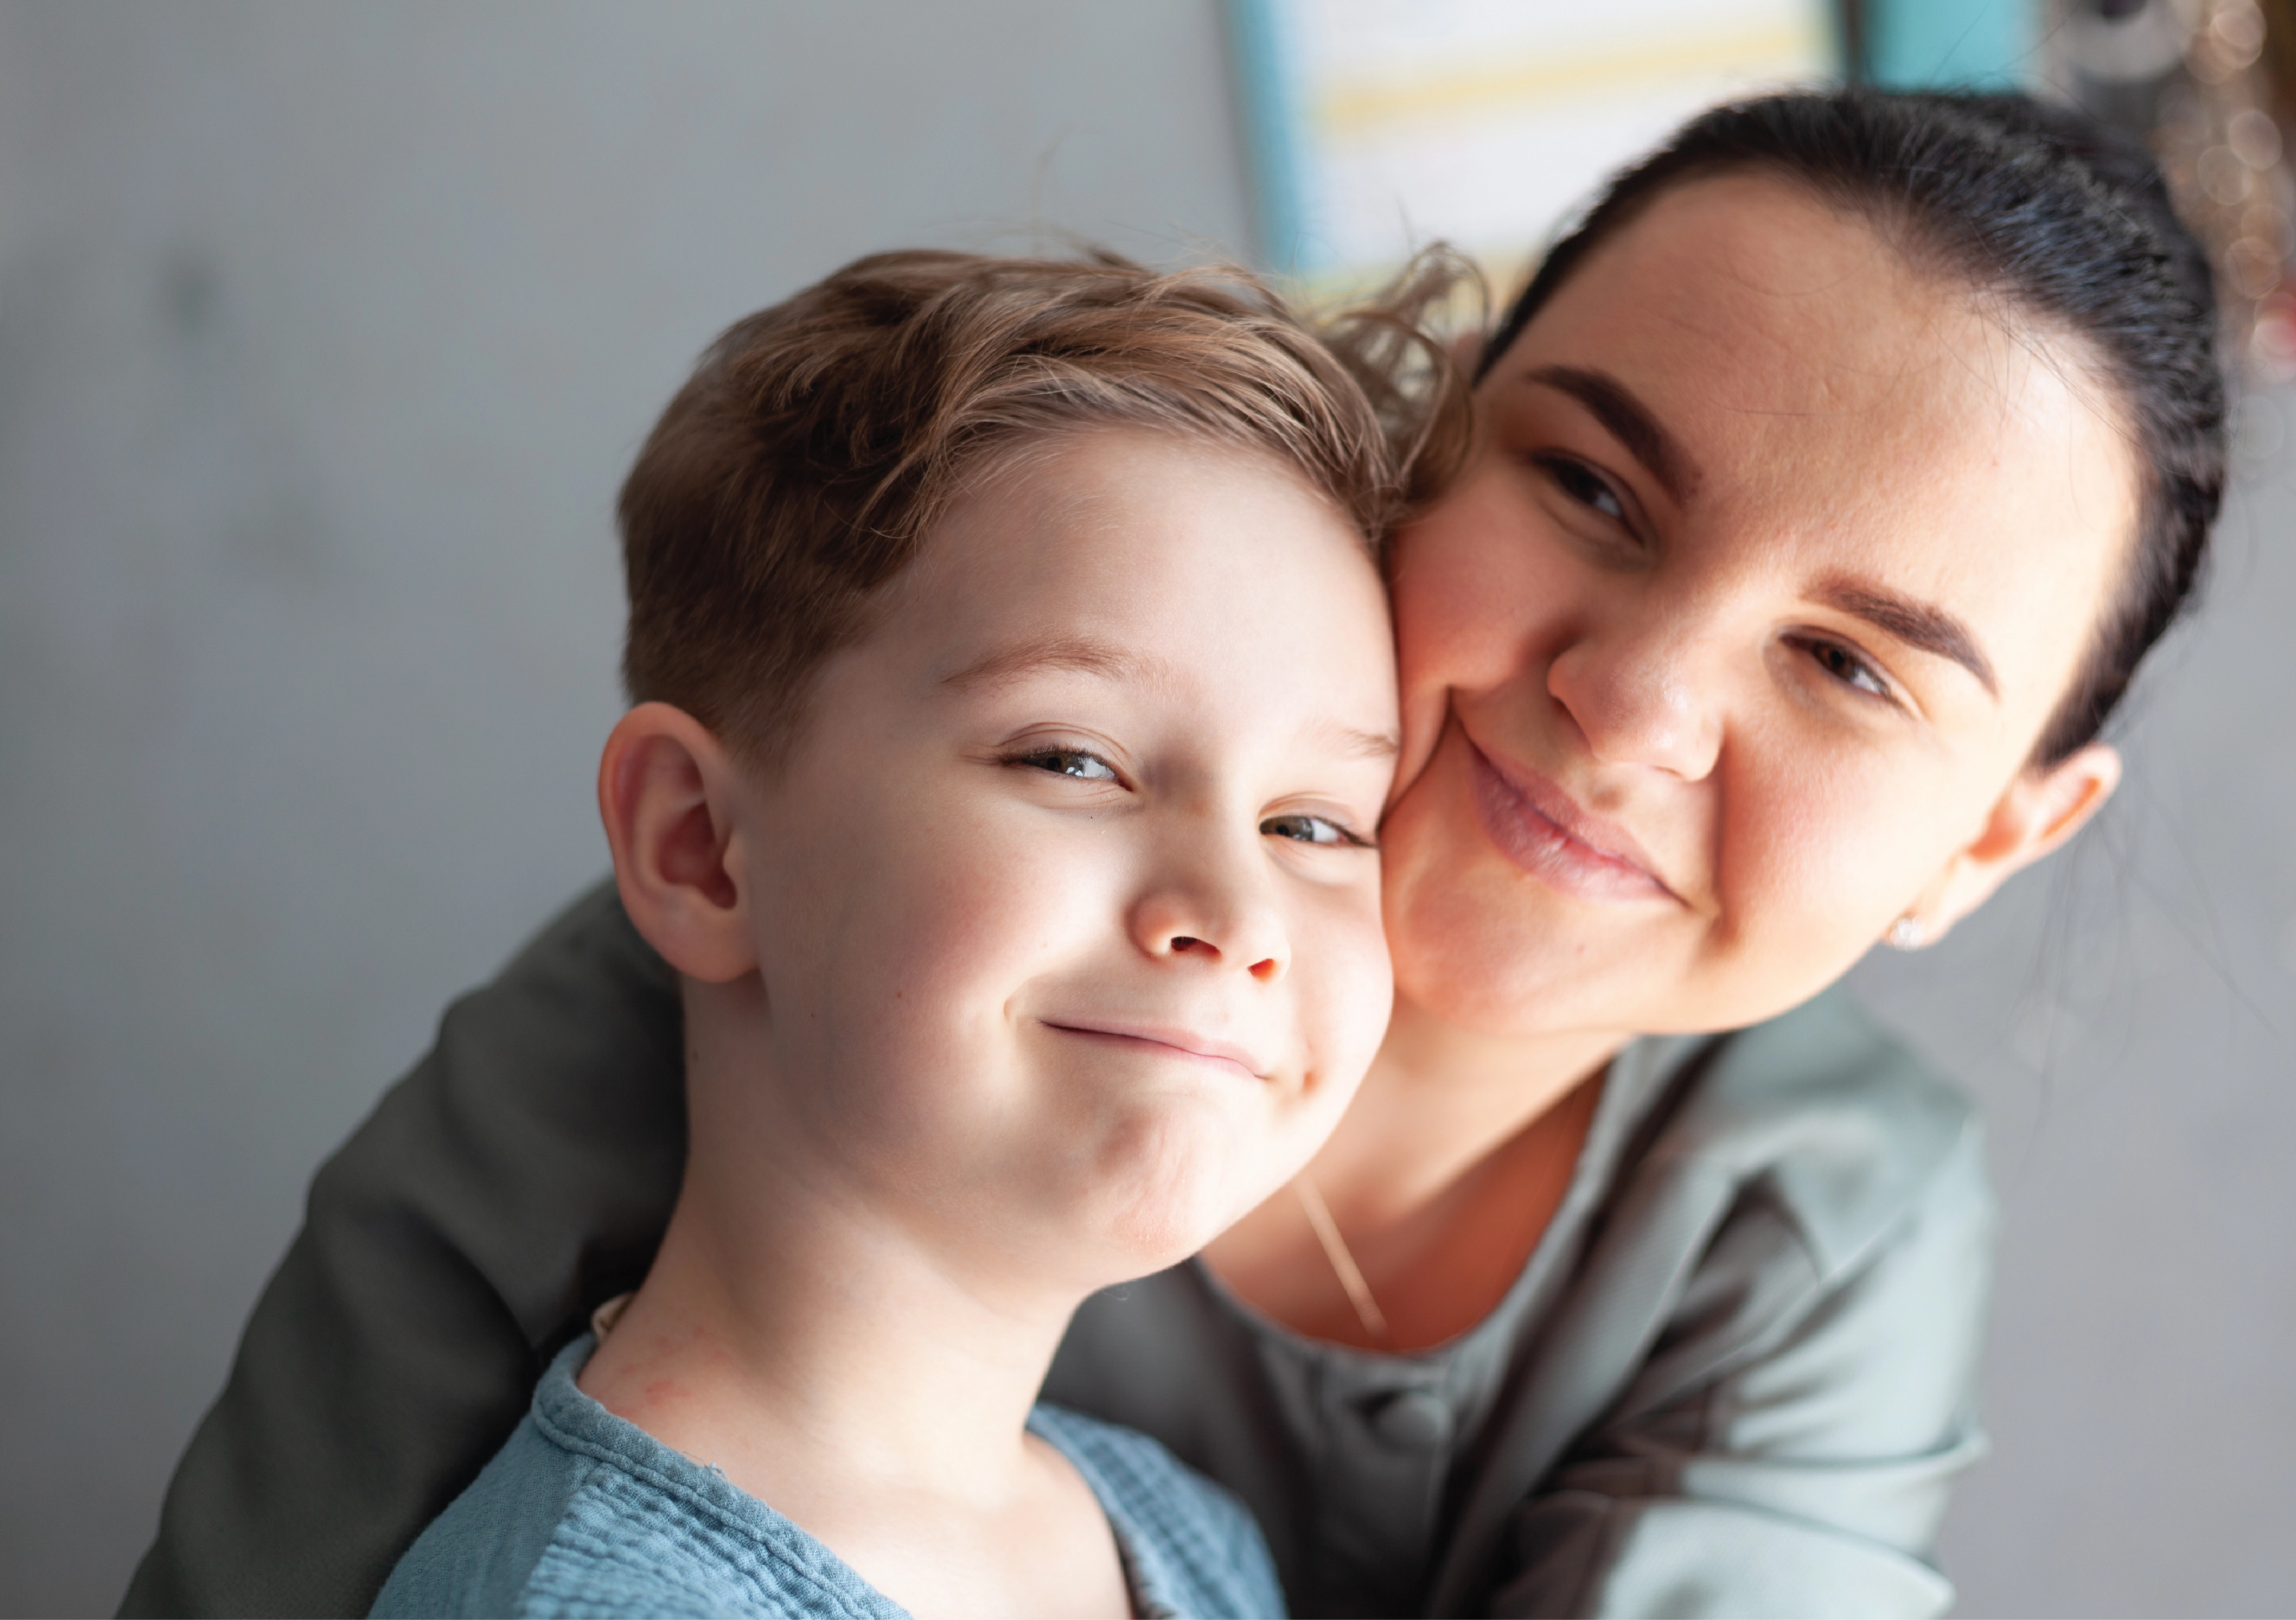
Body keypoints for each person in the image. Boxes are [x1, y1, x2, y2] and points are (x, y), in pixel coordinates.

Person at [124, 87, 2226, 1620]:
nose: (1638, 699)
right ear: (1435, 441)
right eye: (1590, 486)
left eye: (1852, 669)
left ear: (1996, 832)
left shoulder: (1812, 1227)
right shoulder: (765, 957)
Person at [368, 247, 1452, 1618]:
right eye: (1072, 760)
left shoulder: (1182, 1539)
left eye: (1313, 824)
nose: (1235, 917)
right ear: (698, 846)